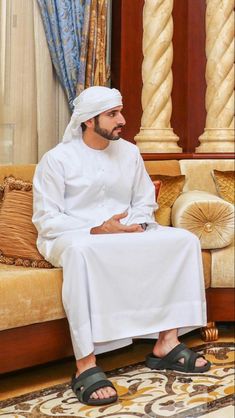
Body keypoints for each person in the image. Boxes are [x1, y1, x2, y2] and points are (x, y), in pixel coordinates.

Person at [33, 86, 210, 406]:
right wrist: (96, 228)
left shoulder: (128, 152)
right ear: (88, 120)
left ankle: (167, 343)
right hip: (71, 235)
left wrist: (135, 225)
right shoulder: (56, 160)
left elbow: (144, 202)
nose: (122, 120)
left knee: (183, 240)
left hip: (124, 233)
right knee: (83, 252)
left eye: (120, 111)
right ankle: (85, 364)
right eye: (113, 114)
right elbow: (46, 218)